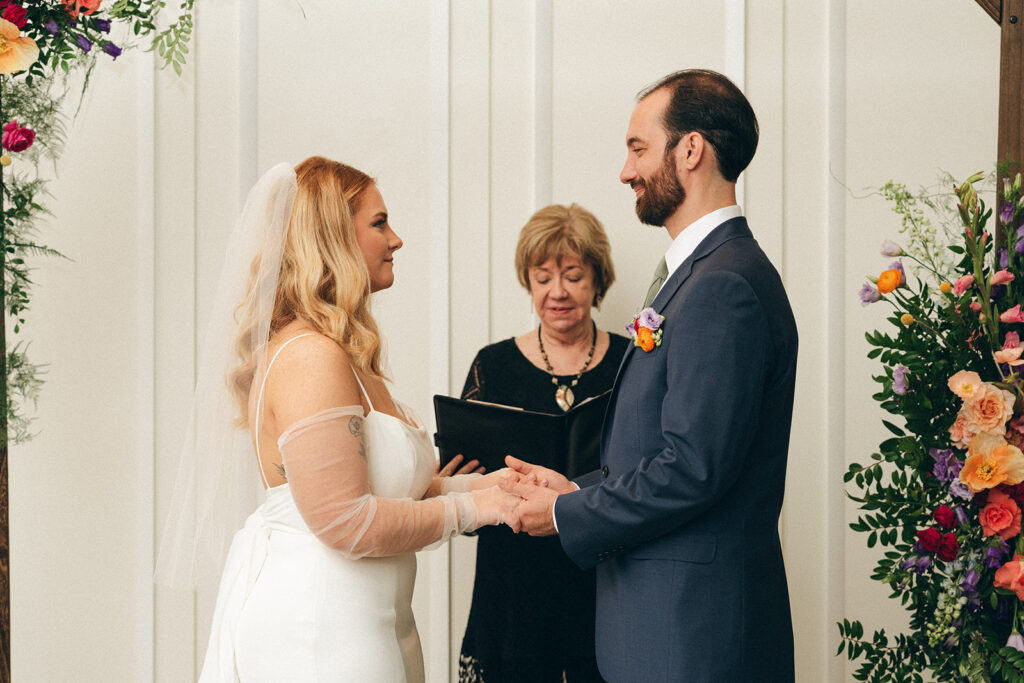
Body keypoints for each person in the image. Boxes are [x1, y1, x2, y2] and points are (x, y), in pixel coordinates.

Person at [155, 157, 519, 682]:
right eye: (379, 223)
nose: (396, 239)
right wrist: (475, 509)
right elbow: (344, 520)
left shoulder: (344, 351)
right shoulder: (310, 356)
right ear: (332, 237)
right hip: (319, 630)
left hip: (373, 623)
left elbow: (381, 494)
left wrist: (489, 487)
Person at [504, 69, 798, 681]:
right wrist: (574, 490)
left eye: (638, 148)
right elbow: (664, 450)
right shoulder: (702, 272)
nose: (625, 170)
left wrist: (565, 516)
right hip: (666, 629)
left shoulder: (721, 286)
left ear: (690, 150)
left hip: (691, 638)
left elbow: (692, 467)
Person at [456, 204, 628, 682]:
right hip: (511, 597)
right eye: (542, 277)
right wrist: (455, 483)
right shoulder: (492, 366)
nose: (557, 292)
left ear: (598, 279)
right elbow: (467, 507)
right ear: (527, 281)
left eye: (573, 275)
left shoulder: (633, 363)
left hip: (604, 593)